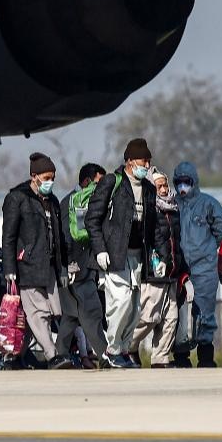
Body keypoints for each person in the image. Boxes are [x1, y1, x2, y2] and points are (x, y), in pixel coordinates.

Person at [85, 138, 157, 368]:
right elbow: (92, 219)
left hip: (138, 255)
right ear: (129, 161)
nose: (146, 165)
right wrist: (100, 250)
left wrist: (157, 255)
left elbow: (154, 225)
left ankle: (124, 350)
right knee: (121, 302)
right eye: (142, 160)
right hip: (115, 254)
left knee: (135, 307)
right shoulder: (112, 182)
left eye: (148, 161)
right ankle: (111, 350)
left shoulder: (148, 189)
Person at [2, 153, 69, 369]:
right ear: (34, 176)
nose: (50, 182)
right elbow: (9, 237)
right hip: (27, 266)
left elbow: (59, 237)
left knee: (53, 312)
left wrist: (63, 267)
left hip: (49, 266)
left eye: (53, 178)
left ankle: (13, 358)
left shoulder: (53, 201)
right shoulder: (17, 198)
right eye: (46, 177)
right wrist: (9, 268)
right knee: (38, 312)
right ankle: (53, 356)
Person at [171, 161, 222, 368]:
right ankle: (180, 356)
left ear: (194, 181)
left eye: (187, 181)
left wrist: (210, 254)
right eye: (179, 182)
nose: (182, 186)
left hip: (204, 269)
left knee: (204, 313)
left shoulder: (208, 203)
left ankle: (205, 356)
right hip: (179, 269)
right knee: (177, 313)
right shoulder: (171, 203)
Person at [128, 167, 187, 368]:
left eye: (165, 185)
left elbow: (178, 243)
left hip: (172, 274)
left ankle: (160, 357)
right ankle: (128, 345)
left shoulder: (174, 210)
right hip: (154, 274)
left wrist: (184, 273)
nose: (163, 189)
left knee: (171, 318)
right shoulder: (149, 209)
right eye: (159, 186)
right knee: (149, 318)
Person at [55, 163, 109, 367]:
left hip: (86, 267)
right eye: (98, 183)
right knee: (91, 310)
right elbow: (66, 237)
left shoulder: (92, 201)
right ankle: (105, 356)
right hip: (76, 268)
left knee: (72, 315)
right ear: (87, 182)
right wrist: (69, 265)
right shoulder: (73, 202)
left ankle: (58, 355)